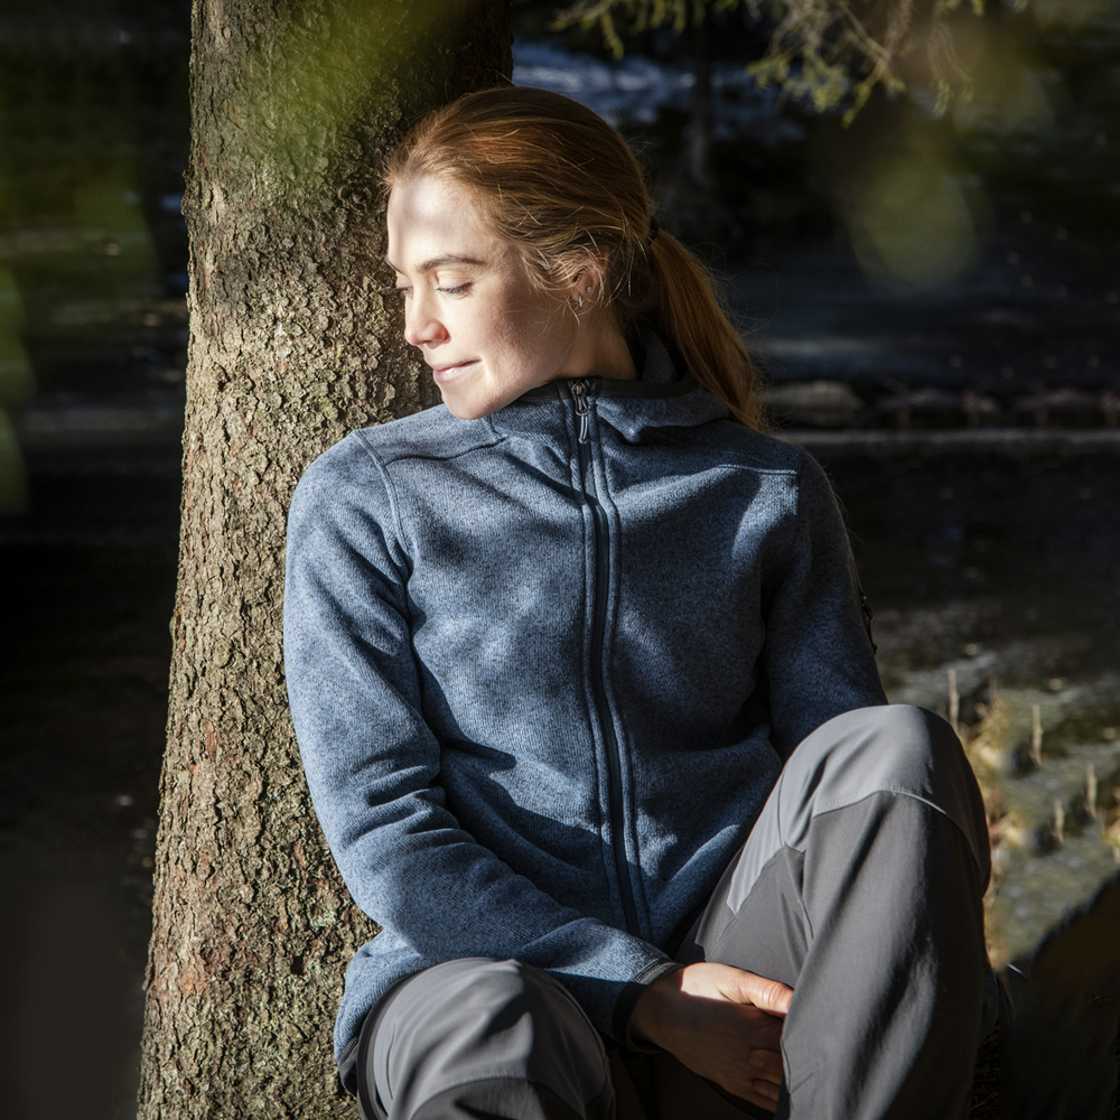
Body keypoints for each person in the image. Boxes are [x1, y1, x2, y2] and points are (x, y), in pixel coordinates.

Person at [282, 83, 1001, 1120]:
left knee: (895, 749)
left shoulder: (765, 489)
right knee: (492, 1022)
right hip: (488, 977)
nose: (416, 326)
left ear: (580, 271)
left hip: (740, 975)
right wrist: (642, 990)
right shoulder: (367, 496)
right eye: (406, 284)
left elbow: (845, 804)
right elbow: (385, 828)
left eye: (453, 281)